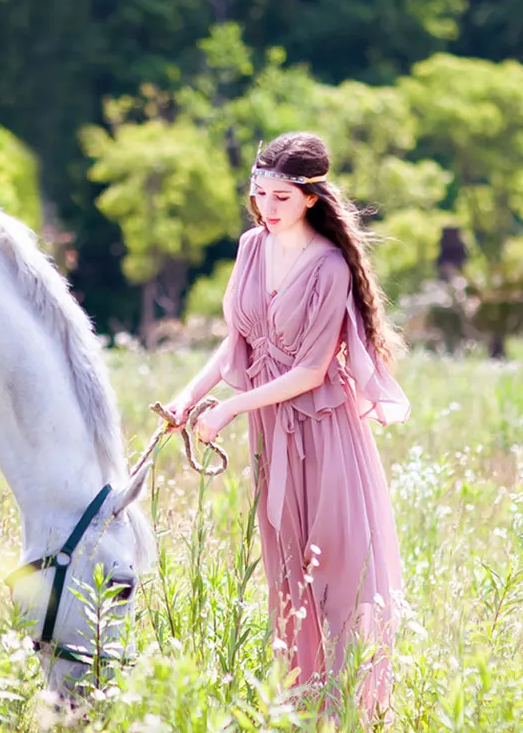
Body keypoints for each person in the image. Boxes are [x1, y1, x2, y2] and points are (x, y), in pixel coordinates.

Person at [165, 132, 410, 724]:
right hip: (272, 430)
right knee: (288, 569)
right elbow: (238, 342)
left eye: (280, 197)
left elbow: (310, 369)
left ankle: (354, 706)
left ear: (308, 198)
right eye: (259, 194)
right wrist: (189, 396)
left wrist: (230, 407)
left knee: (340, 568)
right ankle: (305, 704)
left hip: (324, 427)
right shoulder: (251, 247)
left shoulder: (328, 266)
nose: (266, 208)